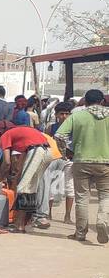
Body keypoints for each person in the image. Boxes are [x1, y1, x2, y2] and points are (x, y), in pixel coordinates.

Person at [55, 88, 109, 244]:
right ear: (102, 101)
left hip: (81, 161)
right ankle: (102, 221)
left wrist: (65, 152)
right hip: (105, 162)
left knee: (82, 198)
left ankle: (80, 233)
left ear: (85, 101)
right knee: (105, 195)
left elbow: (59, 136)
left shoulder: (77, 116)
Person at [0, 123, 52, 232]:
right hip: (47, 152)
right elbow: (20, 162)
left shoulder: (5, 135)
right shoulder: (20, 132)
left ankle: (19, 225)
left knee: (24, 187)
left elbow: (7, 162)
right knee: (31, 187)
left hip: (37, 150)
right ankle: (26, 221)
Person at [43, 101, 75, 223]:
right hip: (55, 159)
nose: (64, 116)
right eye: (62, 114)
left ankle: (67, 216)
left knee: (69, 187)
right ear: (56, 115)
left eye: (67, 114)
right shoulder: (51, 128)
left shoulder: (74, 127)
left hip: (70, 160)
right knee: (52, 186)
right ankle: (48, 213)